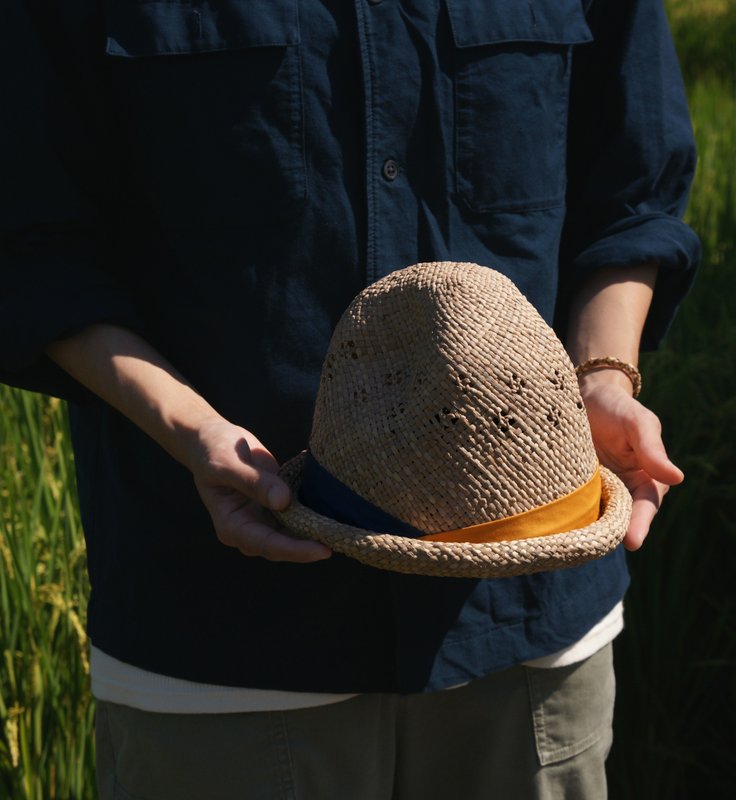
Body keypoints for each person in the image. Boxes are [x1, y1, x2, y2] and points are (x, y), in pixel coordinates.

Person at [0, 1, 700, 798]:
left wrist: (603, 373)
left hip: (532, 635)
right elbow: (32, 235)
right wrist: (192, 430)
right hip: (222, 633)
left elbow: (632, 194)